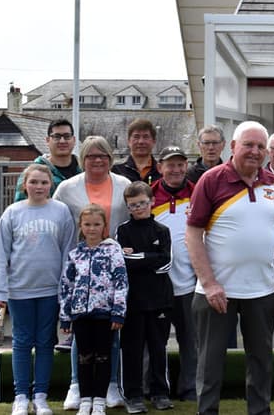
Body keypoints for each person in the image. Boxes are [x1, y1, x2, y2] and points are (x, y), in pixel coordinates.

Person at [185, 120, 274, 415]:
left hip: (261, 292)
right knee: (210, 366)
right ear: (233, 147)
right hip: (215, 294)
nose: (255, 151)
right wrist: (209, 283)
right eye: (248, 144)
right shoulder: (211, 180)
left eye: (261, 146)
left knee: (261, 363)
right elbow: (192, 234)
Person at [54, 136, 131, 411]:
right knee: (81, 334)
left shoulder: (123, 185)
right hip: (81, 268)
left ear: (111, 158)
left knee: (109, 334)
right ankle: (77, 386)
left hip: (112, 266)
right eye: (91, 156)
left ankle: (110, 385)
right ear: (82, 159)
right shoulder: (66, 188)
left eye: (103, 156)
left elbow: (134, 217)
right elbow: (60, 224)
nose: (97, 160)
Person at [0, 164, 77, 415]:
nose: (39, 187)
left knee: (44, 343)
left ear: (50, 184)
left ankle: (40, 396)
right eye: (34, 182)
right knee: (21, 342)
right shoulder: (12, 213)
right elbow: (0, 254)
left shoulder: (61, 212)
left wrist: (66, 290)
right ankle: (20, 396)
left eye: (43, 182)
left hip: (50, 291)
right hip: (19, 290)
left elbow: (68, 253)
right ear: (24, 185)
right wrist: (0, 291)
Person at [59, 204, 128, 415]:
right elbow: (67, 285)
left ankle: (100, 399)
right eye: (87, 224)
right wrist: (65, 316)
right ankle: (85, 399)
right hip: (81, 314)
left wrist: (118, 311)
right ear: (81, 226)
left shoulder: (113, 251)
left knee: (104, 356)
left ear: (104, 226)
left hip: (105, 314)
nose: (92, 229)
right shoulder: (75, 254)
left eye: (96, 224)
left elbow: (121, 282)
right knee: (84, 356)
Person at [116, 182, 173, 414]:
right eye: (133, 205)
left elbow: (165, 263)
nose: (138, 208)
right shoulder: (123, 230)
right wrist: (149, 257)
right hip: (132, 301)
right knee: (132, 349)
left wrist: (137, 256)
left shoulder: (162, 230)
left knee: (159, 347)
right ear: (128, 207)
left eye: (142, 203)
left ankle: (160, 393)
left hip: (160, 299)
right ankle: (133, 395)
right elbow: (121, 263)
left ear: (152, 202)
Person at [150, 146, 198, 402]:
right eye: (170, 164)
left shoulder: (198, 193)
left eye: (180, 164)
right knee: (155, 342)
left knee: (190, 341)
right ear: (160, 167)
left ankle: (189, 389)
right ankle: (156, 389)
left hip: (189, 284)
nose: (176, 169)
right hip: (157, 287)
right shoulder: (149, 196)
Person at [14, 119, 82, 201]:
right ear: (47, 140)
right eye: (57, 137)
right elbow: (21, 207)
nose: (62, 141)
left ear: (74, 140)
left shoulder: (84, 170)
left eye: (67, 136)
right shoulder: (32, 174)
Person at [112, 119, 161, 184]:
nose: (141, 141)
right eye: (136, 137)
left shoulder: (162, 170)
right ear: (129, 141)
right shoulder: (116, 169)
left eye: (145, 137)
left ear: (154, 141)